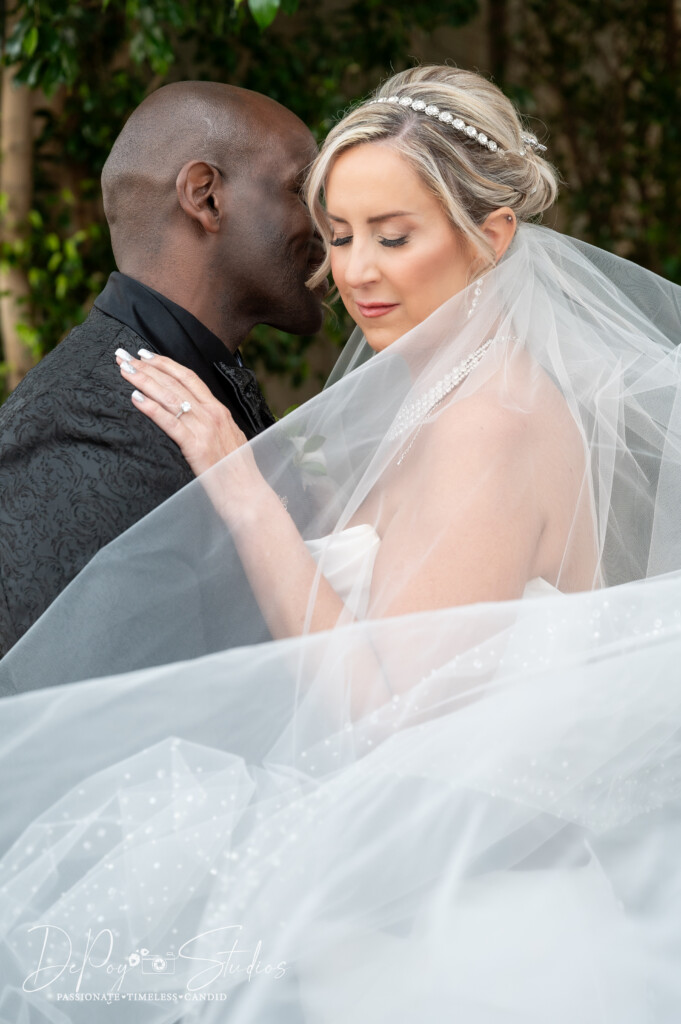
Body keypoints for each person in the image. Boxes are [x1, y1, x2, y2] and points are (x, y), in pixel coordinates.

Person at [2, 65, 681, 1021]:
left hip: (463, 935)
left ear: (490, 240)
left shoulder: (491, 423)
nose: (353, 273)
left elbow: (386, 719)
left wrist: (241, 489)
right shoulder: (431, 406)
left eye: (393, 236)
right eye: (339, 234)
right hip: (406, 898)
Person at [0, 80, 325, 663]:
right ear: (206, 197)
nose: (330, 225)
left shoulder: (198, 385)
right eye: (302, 190)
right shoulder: (86, 428)